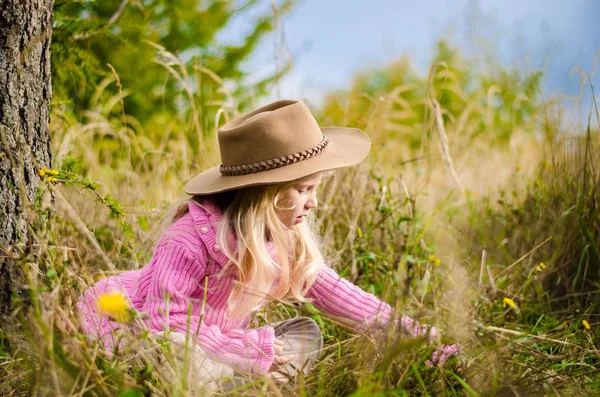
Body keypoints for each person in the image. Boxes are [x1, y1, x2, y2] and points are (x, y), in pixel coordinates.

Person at [77, 100, 460, 387]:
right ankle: (230, 379)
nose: (314, 201)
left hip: (216, 343)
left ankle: (237, 380)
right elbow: (164, 323)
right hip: (134, 331)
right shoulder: (187, 240)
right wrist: (243, 350)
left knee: (304, 333)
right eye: (303, 189)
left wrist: (423, 342)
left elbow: (348, 301)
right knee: (187, 360)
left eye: (315, 188)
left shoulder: (282, 238)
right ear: (263, 194)